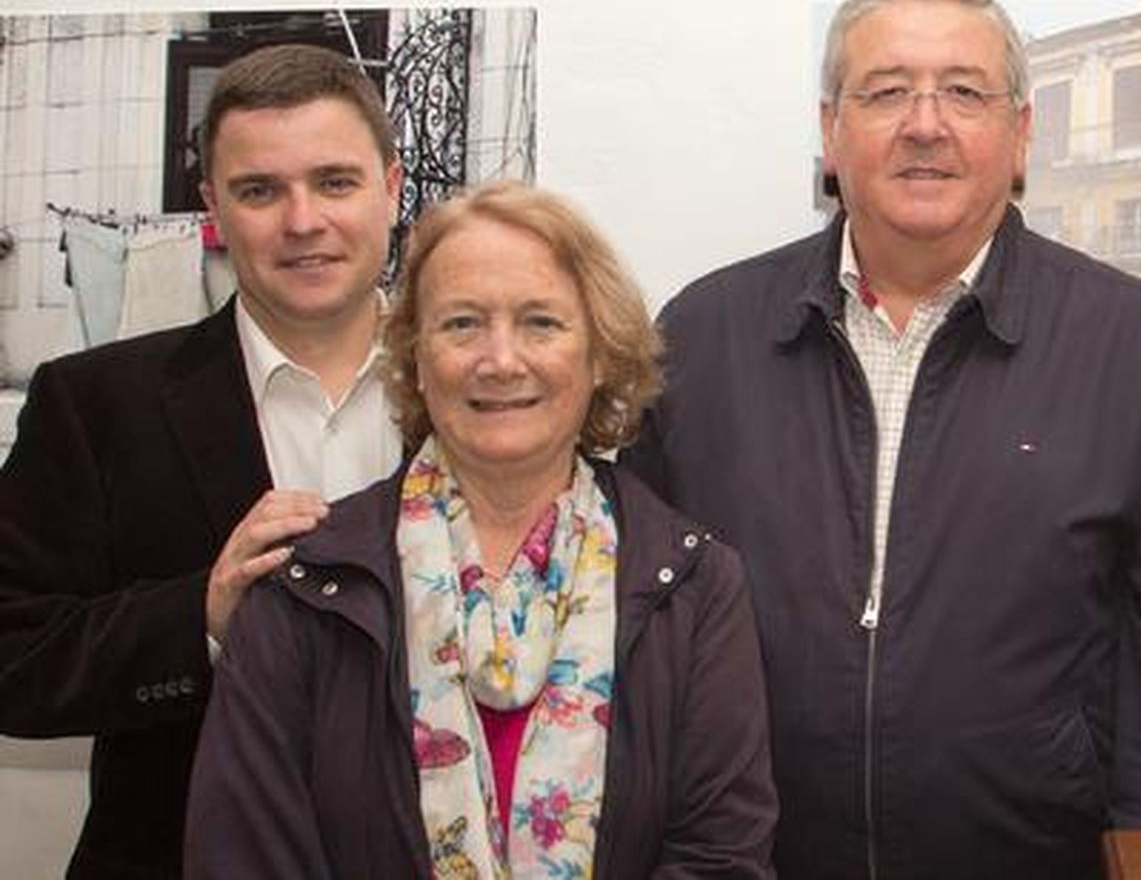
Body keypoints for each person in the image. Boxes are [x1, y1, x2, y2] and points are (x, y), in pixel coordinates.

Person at [623, 0, 1141, 878]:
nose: (925, 126)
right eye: (886, 93)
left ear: (1020, 133)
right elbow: (643, 641)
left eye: (964, 92)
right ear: (830, 131)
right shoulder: (703, 336)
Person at [186, 180, 777, 878]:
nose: (500, 360)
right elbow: (243, 857)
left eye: (541, 323)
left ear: (599, 355)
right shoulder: (306, 584)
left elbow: (720, 856)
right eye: (462, 323)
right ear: (414, 357)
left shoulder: (696, 586)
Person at [0, 43, 404, 877]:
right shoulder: (97, 402)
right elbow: (14, 660)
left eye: (335, 181)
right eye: (260, 191)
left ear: (392, 189)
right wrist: (204, 617)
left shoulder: (491, 398)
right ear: (213, 205)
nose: (303, 221)